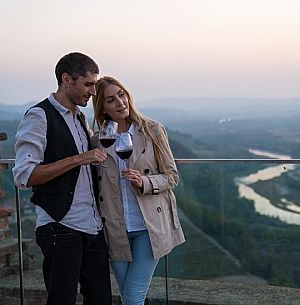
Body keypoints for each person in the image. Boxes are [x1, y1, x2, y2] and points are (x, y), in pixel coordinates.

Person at [12, 52, 112, 305]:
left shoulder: (80, 116)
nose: (93, 91)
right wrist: (79, 158)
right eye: (88, 84)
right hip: (60, 226)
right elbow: (24, 175)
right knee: (62, 300)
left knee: (101, 300)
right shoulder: (39, 116)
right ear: (66, 79)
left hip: (92, 225)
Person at [91, 76, 185, 305]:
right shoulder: (98, 141)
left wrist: (145, 182)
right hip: (115, 230)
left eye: (121, 95)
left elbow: (172, 176)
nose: (120, 103)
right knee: (130, 299)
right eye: (111, 100)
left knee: (132, 299)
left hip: (147, 227)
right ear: (102, 107)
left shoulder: (152, 130)